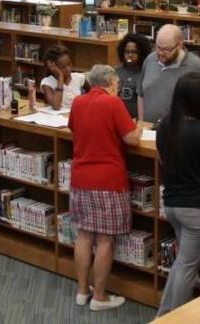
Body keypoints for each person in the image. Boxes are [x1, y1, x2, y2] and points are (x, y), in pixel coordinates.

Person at [68, 65, 143, 312]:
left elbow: (73, 129)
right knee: (105, 240)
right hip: (108, 181)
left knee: (84, 234)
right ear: (111, 82)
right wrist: (139, 126)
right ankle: (99, 296)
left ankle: (82, 291)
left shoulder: (78, 102)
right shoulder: (113, 104)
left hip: (80, 178)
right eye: (118, 85)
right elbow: (131, 139)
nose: (119, 89)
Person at [155, 72, 200, 316]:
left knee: (182, 262)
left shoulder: (164, 125)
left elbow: (163, 161)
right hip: (198, 208)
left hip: (172, 204)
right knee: (187, 265)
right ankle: (173, 316)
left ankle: (164, 314)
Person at [137, 24, 200, 124]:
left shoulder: (197, 66)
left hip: (180, 134)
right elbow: (141, 94)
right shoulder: (150, 60)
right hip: (148, 132)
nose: (161, 53)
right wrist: (142, 123)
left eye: (166, 49)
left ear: (179, 45)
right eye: (158, 47)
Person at [39, 44, 87, 110]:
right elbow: (56, 106)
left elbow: (93, 96)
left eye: (69, 64)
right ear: (52, 67)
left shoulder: (79, 78)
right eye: (62, 67)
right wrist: (60, 78)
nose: (68, 69)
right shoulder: (47, 83)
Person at [115, 33, 151, 120]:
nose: (130, 55)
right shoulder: (115, 71)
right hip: (118, 119)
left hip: (138, 121)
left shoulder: (146, 73)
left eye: (134, 52)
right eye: (127, 52)